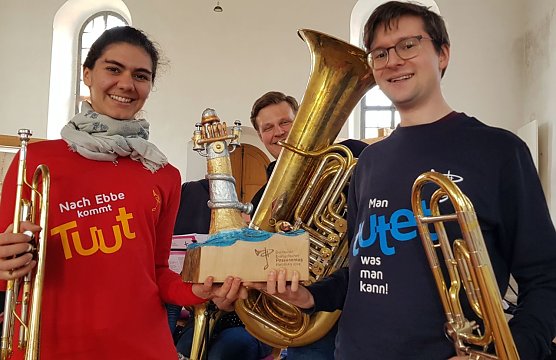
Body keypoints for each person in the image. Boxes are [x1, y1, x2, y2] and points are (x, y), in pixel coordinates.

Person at [249, 2, 556, 359]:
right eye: (379, 53)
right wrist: (312, 295)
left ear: (443, 54)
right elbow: (365, 267)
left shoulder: (500, 151)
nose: (392, 60)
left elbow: (546, 278)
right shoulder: (369, 162)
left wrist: (511, 351)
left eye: (408, 45)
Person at [0, 26, 244, 360]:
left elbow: (157, 271)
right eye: (113, 69)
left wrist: (197, 291)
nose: (127, 84)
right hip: (52, 345)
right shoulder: (37, 161)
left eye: (141, 75)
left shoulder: (163, 174)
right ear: (87, 73)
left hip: (142, 347)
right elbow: (6, 271)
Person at [249, 91, 367, 360]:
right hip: (310, 316)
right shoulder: (261, 199)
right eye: (268, 128)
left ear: (301, 121)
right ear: (261, 138)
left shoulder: (347, 158)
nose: (278, 132)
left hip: (362, 298)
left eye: (285, 122)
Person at [168, 178, 273, 360]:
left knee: (221, 353)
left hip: (249, 324)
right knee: (184, 347)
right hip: (211, 316)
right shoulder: (196, 234)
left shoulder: (252, 239)